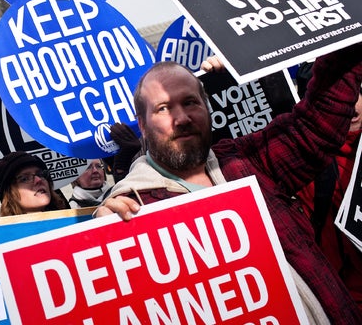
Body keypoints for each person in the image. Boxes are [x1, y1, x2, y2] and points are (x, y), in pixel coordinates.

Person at [95, 43, 362, 323]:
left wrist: (343, 32)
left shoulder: (246, 160)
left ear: (206, 108)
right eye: (163, 108)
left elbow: (317, 125)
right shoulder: (133, 208)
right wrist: (102, 238)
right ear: (143, 125)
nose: (181, 118)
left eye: (190, 102)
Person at [295, 72, 362, 312]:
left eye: (360, 91)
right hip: (344, 304)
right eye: (337, 95)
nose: (353, 104)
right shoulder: (302, 162)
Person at [0, 151, 70, 216]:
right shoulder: (8, 235)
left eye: (41, 174)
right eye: (24, 179)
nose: (38, 180)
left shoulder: (73, 225)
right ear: (10, 195)